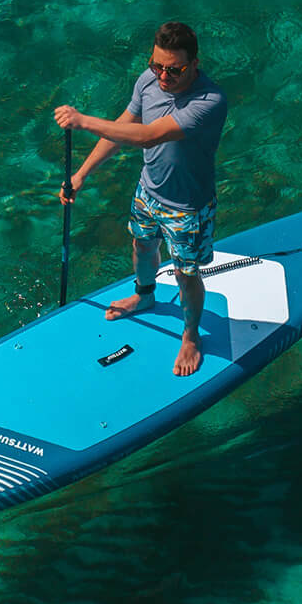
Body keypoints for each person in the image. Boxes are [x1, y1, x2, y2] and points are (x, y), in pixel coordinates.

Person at [54, 21, 229, 376]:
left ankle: (192, 335)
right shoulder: (147, 81)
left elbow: (149, 136)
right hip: (148, 191)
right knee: (142, 247)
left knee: (185, 273)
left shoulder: (209, 101)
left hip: (188, 208)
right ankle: (144, 294)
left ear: (194, 63)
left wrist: (84, 121)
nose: (164, 76)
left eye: (174, 69)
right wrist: (82, 174)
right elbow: (123, 127)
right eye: (157, 66)